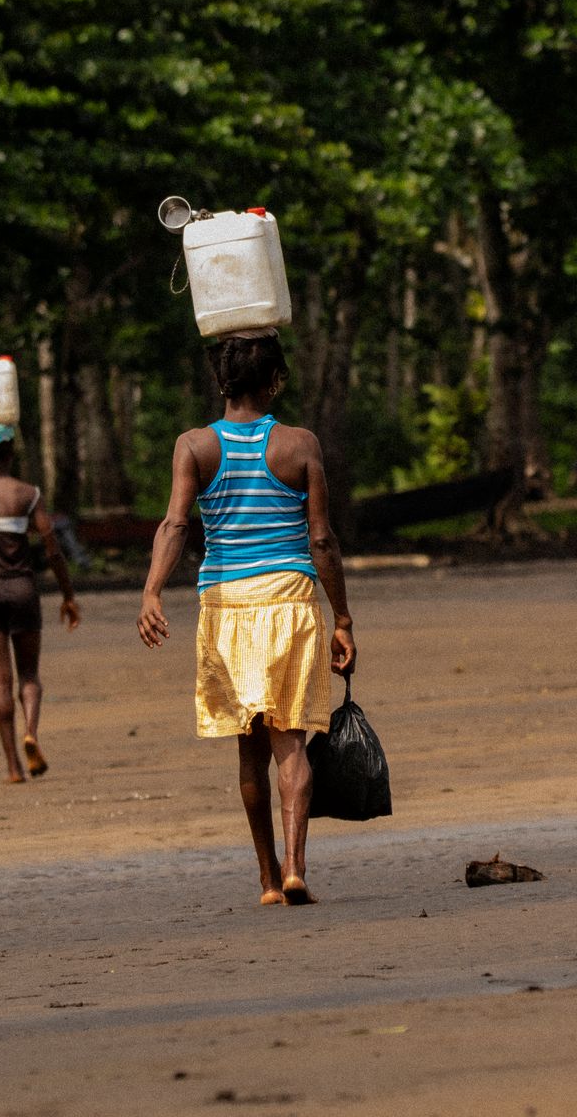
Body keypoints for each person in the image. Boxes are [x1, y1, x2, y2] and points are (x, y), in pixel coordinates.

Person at [137, 333, 356, 907]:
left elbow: (176, 526)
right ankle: (294, 866)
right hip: (289, 601)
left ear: (222, 382)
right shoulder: (300, 444)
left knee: (249, 748)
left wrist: (152, 591)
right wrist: (344, 618)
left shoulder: (193, 446)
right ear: (276, 380)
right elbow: (322, 541)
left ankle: (265, 880)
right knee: (292, 743)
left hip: (226, 607)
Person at [0, 424, 81, 784]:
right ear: (10, 453)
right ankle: (32, 734)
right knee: (29, 676)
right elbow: (53, 549)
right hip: (23, 591)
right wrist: (68, 595)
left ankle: (12, 767)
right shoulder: (29, 494)